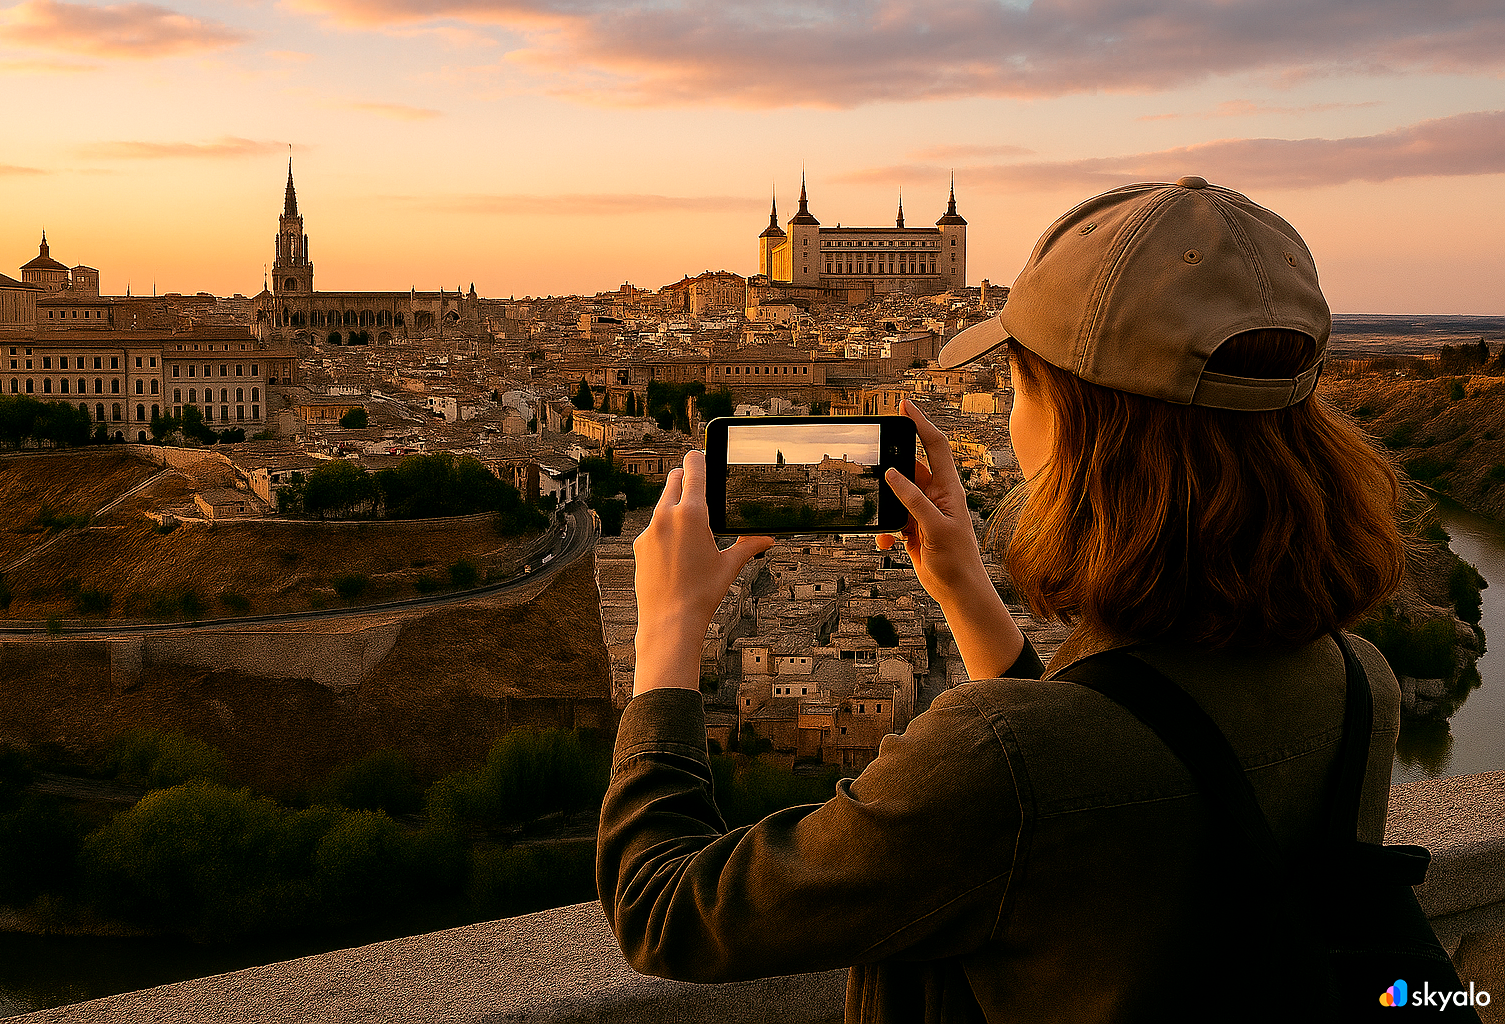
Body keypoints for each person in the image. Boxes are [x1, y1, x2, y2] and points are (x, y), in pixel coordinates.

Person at [597, 177, 1407, 1023]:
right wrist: (968, 593)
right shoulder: (1360, 686)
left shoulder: (994, 762)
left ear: (1077, 424)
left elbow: (667, 912)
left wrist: (669, 634)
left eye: (1019, 388)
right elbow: (1130, 756)